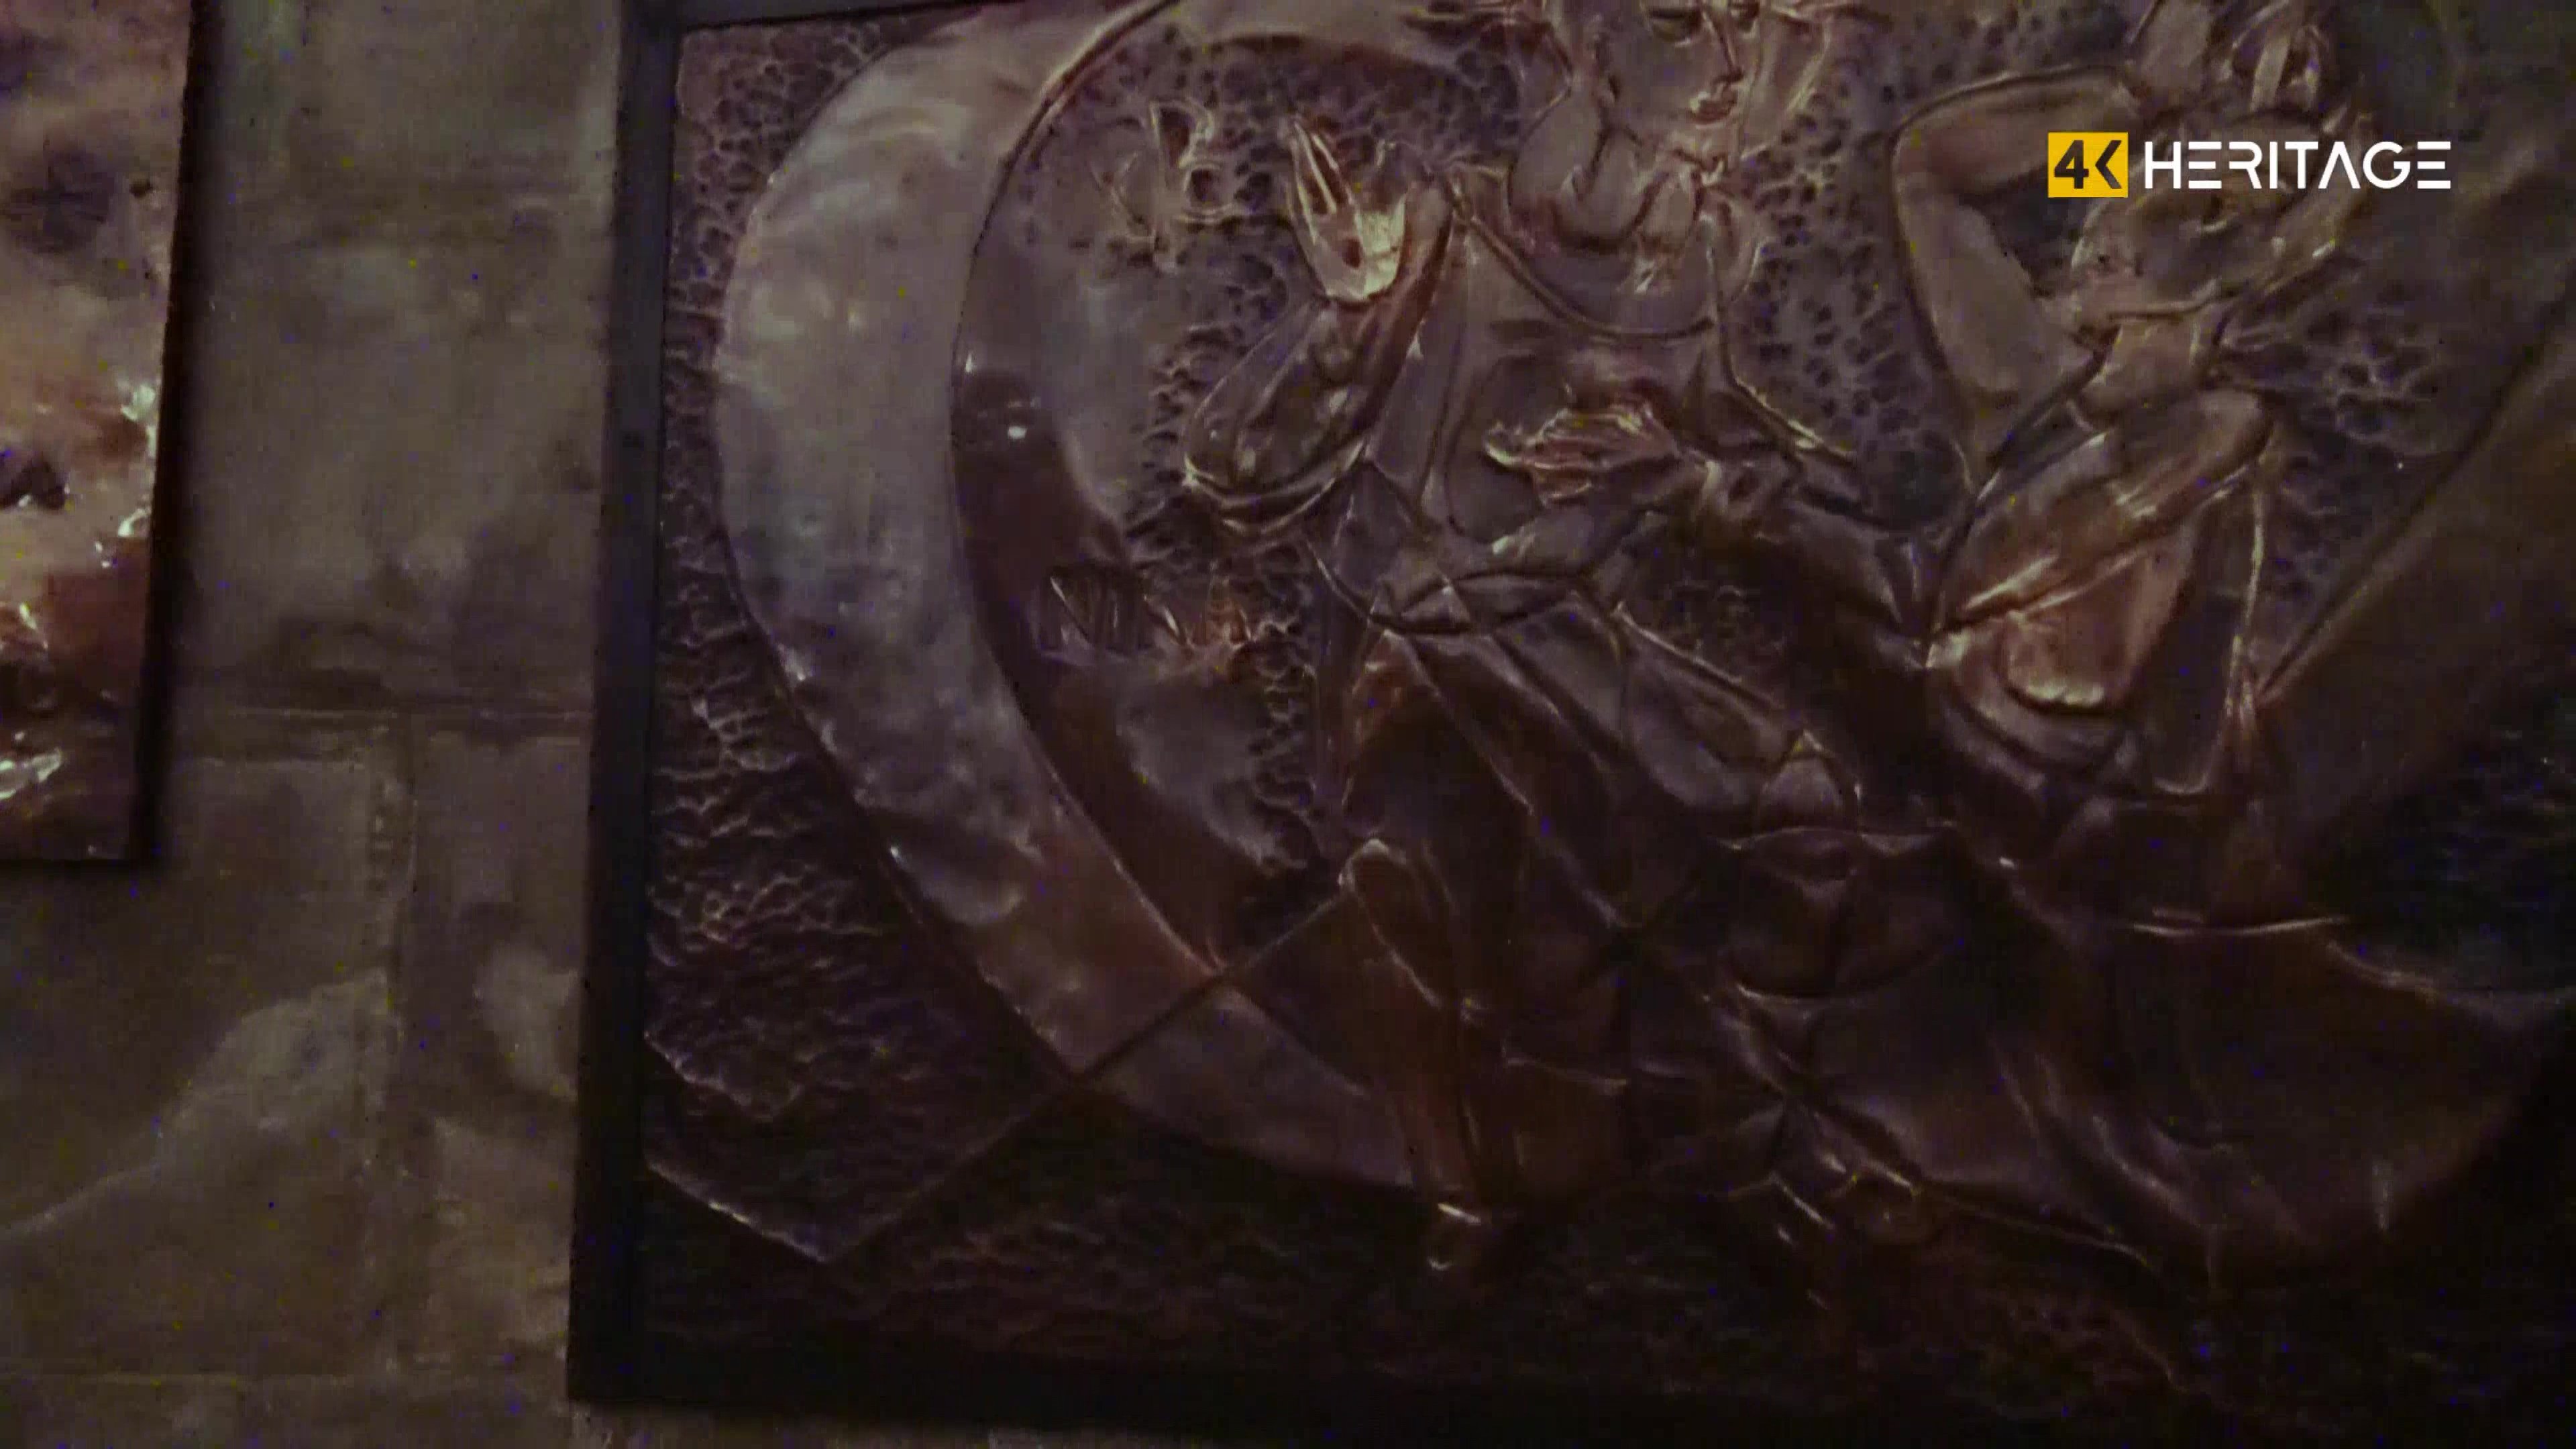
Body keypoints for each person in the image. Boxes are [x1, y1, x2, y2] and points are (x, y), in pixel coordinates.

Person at [1181, 0, 1907, 1269]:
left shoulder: (1711, 257)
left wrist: (1690, 477)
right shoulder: (1447, 227)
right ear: (1586, 32)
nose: (1725, 63)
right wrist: (1346, 317)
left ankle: (1738, 1128)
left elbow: (1742, 454)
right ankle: (1486, 1186)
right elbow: (1236, 470)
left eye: (1745, 23)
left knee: (1802, 815)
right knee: (1447, 869)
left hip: (1572, 639)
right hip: (1416, 644)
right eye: (1681, 19)